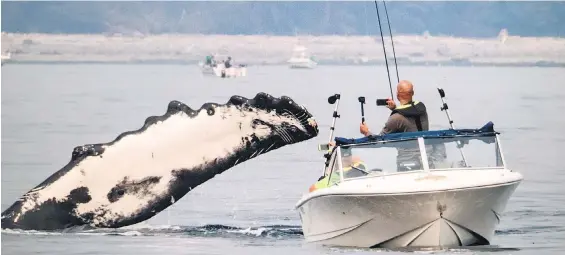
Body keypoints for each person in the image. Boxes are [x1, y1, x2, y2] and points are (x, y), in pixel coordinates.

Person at [359, 80, 430, 171]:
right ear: (413, 93)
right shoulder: (422, 109)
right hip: (427, 158)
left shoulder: (396, 118)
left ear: (397, 95)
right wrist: (395, 109)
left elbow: (379, 141)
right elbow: (409, 116)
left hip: (407, 161)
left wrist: (366, 132)